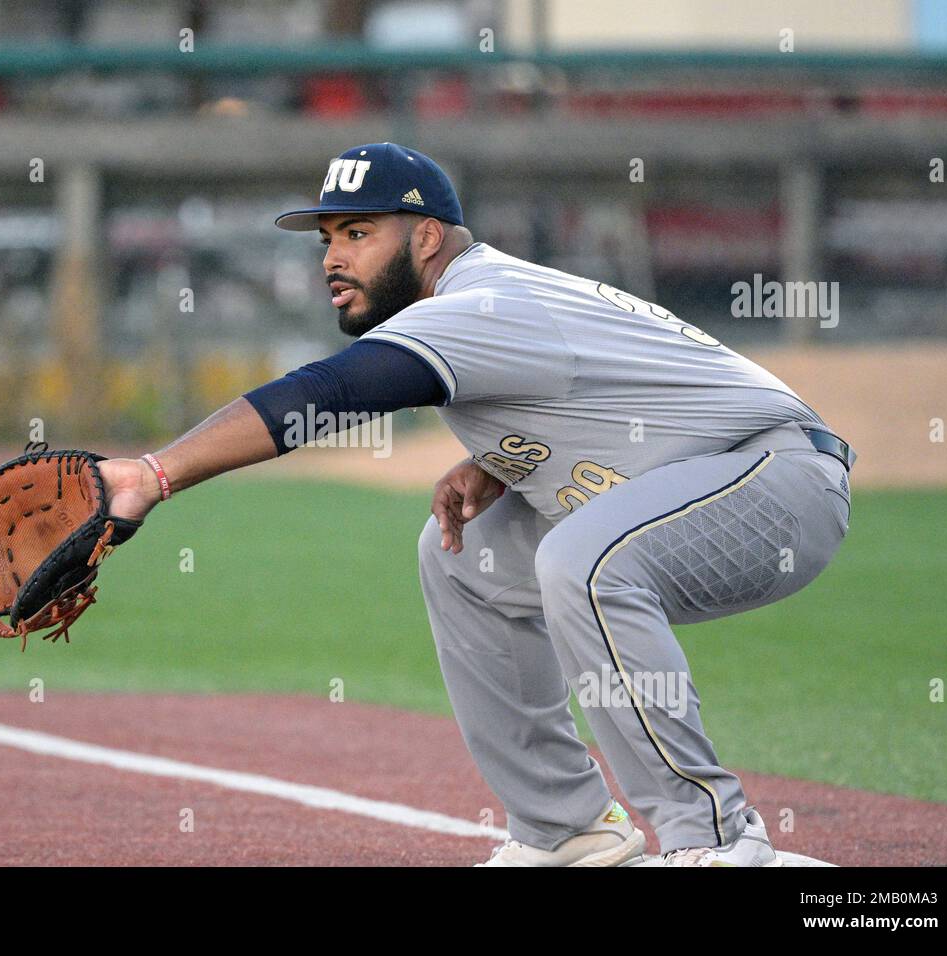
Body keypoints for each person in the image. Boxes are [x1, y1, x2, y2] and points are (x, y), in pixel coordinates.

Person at [99, 142, 854, 867]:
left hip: (779, 485)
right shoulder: (487, 297)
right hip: (710, 472)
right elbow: (610, 388)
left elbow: (325, 395)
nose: (333, 256)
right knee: (466, 555)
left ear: (427, 237)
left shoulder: (481, 304)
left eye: (358, 232)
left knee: (582, 561)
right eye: (328, 236)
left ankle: (716, 840)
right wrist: (507, 452)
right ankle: (566, 829)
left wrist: (154, 474)